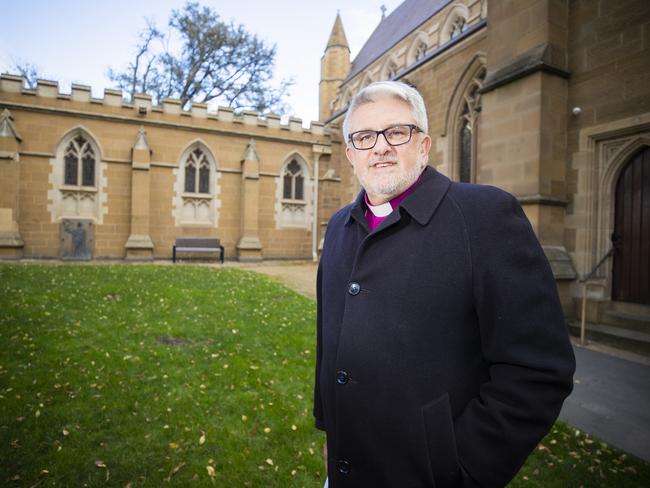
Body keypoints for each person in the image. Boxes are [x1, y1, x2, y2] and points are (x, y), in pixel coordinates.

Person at [313, 81, 575, 487]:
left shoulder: (485, 215)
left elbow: (537, 372)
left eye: (396, 132)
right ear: (350, 154)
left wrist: (459, 471)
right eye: (364, 137)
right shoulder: (338, 227)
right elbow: (329, 340)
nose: (379, 147)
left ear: (424, 145)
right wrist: (330, 428)